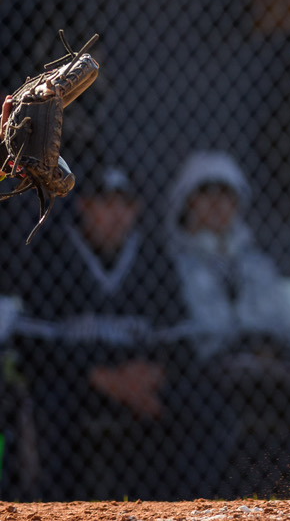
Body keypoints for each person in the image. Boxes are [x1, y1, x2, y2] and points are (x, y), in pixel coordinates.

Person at [12, 163, 225, 499]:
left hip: (141, 376)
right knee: (47, 403)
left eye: (124, 205)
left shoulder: (151, 257)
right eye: (104, 204)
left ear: (136, 209)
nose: (116, 215)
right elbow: (32, 347)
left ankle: (190, 505)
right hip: (77, 380)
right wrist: (102, 378)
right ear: (83, 206)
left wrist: (152, 374)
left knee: (207, 407)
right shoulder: (53, 253)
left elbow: (179, 340)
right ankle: (53, 505)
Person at [164, 149, 290, 495]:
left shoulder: (257, 263)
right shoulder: (169, 264)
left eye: (227, 194)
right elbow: (180, 334)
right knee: (205, 412)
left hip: (269, 358)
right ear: (186, 202)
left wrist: (266, 350)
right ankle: (200, 500)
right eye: (206, 193)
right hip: (208, 364)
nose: (218, 204)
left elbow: (285, 329)